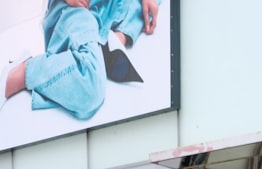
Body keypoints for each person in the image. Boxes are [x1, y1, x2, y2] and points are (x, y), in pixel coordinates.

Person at [0, 0, 160, 119]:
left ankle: (114, 41)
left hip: (115, 11)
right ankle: (23, 72)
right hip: (80, 9)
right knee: (89, 87)